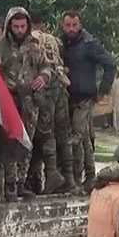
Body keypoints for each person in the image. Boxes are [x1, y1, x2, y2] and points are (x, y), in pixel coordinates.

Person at [0, 7, 52, 201]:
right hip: (7, 101)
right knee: (8, 144)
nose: (19, 30)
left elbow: (47, 66)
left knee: (25, 143)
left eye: (23, 26)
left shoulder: (35, 46)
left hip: (29, 101)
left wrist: (43, 76)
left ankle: (21, 183)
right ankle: (9, 186)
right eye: (15, 26)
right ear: (9, 26)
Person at [62, 10, 118, 192]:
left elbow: (110, 64)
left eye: (74, 25)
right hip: (67, 97)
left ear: (80, 25)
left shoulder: (89, 44)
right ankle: (90, 176)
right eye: (68, 25)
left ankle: (76, 180)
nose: (71, 29)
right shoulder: (62, 43)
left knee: (76, 138)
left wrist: (103, 90)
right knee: (85, 138)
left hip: (85, 98)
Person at [30, 21, 75, 192]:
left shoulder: (32, 38)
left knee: (44, 132)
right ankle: (69, 178)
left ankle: (51, 173)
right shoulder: (55, 40)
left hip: (45, 87)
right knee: (63, 134)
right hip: (61, 87)